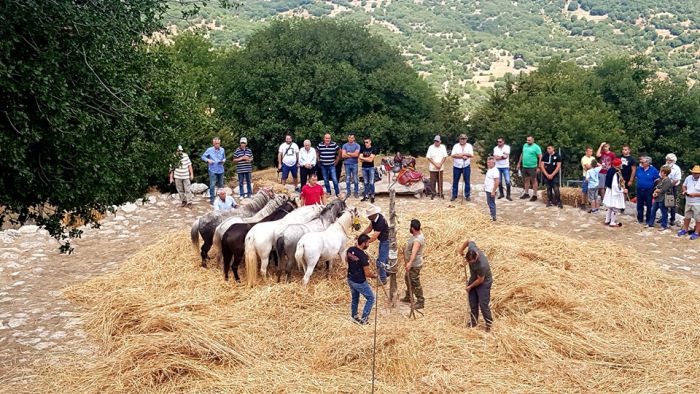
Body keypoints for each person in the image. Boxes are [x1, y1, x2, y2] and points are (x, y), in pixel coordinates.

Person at [458, 239, 493, 332]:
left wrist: (470, 287)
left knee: (483, 304)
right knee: (472, 301)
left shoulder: (482, 264)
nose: (470, 264)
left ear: (476, 257)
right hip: (474, 279)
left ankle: (488, 323)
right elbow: (469, 241)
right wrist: (461, 250)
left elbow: (480, 280)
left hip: (483, 283)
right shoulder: (472, 248)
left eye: (471, 262)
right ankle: (473, 322)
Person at [346, 234, 376, 325]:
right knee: (370, 298)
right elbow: (367, 273)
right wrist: (375, 275)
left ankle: (354, 316)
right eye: (368, 242)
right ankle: (364, 319)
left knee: (355, 297)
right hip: (359, 281)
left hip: (350, 278)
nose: (368, 244)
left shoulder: (350, 250)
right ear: (363, 243)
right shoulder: (363, 256)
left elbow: (347, 260)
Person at [401, 219, 425, 310]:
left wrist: (409, 263)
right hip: (412, 264)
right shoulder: (417, 235)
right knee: (407, 279)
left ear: (412, 228)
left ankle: (420, 301)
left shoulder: (417, 240)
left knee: (415, 282)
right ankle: (409, 296)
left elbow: (414, 253)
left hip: (414, 265)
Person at [362, 205, 389, 285]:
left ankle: (383, 279)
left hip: (386, 240)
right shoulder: (374, 219)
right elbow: (369, 228)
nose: (368, 217)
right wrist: (362, 235)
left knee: (381, 260)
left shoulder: (380, 221)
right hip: (383, 240)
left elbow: (374, 237)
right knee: (384, 257)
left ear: (373, 214)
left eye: (369, 216)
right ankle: (387, 272)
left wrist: (365, 242)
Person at [602, 158, 627, 227]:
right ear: (618, 165)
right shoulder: (616, 173)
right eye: (620, 163)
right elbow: (615, 185)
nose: (621, 165)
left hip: (609, 190)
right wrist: (622, 190)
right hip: (614, 192)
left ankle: (607, 220)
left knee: (610, 206)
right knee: (614, 207)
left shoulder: (610, 170)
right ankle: (612, 222)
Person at [677, 165, 700, 240]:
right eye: (694, 172)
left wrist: (695, 195)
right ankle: (685, 229)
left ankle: (696, 232)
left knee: (698, 219)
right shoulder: (688, 178)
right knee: (687, 217)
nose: (695, 174)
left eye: (697, 173)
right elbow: (684, 185)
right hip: (688, 200)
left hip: (697, 202)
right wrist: (685, 191)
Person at [635, 157, 660, 225]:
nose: (642, 163)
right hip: (639, 189)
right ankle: (640, 218)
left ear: (648, 163)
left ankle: (648, 219)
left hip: (649, 190)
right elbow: (637, 177)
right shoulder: (639, 169)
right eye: (641, 162)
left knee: (649, 205)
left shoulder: (654, 170)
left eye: (643, 162)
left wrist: (655, 189)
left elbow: (657, 180)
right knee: (639, 205)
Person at [516, 135, 542, 202]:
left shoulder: (536, 147)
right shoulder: (525, 145)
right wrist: (519, 163)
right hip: (525, 166)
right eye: (527, 140)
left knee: (534, 180)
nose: (527, 141)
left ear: (533, 140)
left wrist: (539, 166)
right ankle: (526, 193)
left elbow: (540, 156)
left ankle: (535, 195)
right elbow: (522, 154)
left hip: (532, 166)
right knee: (526, 179)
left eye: (529, 140)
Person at [201, 137, 226, 205]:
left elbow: (224, 157)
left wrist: (224, 160)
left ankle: (221, 200)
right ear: (213, 143)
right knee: (212, 185)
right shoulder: (209, 150)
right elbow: (203, 157)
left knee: (221, 185)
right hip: (212, 169)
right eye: (216, 143)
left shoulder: (222, 149)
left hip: (220, 169)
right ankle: (212, 200)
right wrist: (208, 160)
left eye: (218, 143)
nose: (217, 145)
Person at [647, 166, 673, 230]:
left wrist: (656, 191)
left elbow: (663, 190)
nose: (660, 173)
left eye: (661, 172)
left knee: (664, 212)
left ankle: (664, 225)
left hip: (664, 198)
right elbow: (657, 187)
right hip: (658, 198)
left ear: (665, 173)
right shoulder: (661, 179)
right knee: (653, 210)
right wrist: (655, 192)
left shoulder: (667, 180)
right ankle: (650, 223)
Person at [451, 133, 473, 202]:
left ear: (466, 139)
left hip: (466, 166)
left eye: (464, 139)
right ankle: (454, 195)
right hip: (457, 166)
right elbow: (453, 155)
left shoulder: (469, 146)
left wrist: (462, 154)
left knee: (467, 181)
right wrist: (462, 156)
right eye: (461, 138)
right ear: (459, 139)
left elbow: (471, 155)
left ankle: (467, 195)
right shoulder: (456, 146)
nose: (462, 140)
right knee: (455, 181)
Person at [540, 144, 563, 208]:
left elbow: (558, 166)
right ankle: (549, 201)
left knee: (556, 188)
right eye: (547, 148)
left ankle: (559, 201)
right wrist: (546, 174)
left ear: (553, 148)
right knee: (548, 188)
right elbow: (542, 165)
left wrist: (552, 174)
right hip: (546, 174)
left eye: (549, 148)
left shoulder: (557, 156)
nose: (548, 150)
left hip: (554, 175)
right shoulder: (545, 155)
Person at [665, 153, 682, 226]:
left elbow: (677, 179)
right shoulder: (664, 166)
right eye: (667, 159)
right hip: (664, 186)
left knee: (672, 203)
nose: (668, 161)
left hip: (673, 187)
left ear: (673, 161)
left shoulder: (677, 168)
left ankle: (672, 219)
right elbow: (661, 176)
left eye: (670, 160)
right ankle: (664, 217)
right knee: (663, 202)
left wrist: (669, 185)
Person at [342, 133, 361, 198]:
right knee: (347, 178)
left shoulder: (357, 145)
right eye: (349, 137)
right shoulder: (344, 145)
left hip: (354, 163)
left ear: (354, 138)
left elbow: (356, 155)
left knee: (355, 178)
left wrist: (348, 153)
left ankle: (356, 192)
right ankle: (348, 192)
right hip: (347, 164)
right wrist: (352, 154)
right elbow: (343, 155)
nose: (350, 139)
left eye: (352, 137)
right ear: (348, 138)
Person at [359, 137, 378, 203]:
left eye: (367, 142)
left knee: (371, 182)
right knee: (365, 182)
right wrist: (367, 158)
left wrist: (363, 158)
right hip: (364, 167)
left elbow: (371, 160)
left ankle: (372, 196)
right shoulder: (362, 148)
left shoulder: (373, 149)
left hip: (371, 168)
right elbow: (360, 159)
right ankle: (366, 196)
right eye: (365, 142)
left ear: (370, 142)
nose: (365, 143)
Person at [483, 157, 499, 221]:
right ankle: (492, 214)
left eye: (490, 162)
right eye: (487, 162)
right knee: (489, 202)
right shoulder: (489, 169)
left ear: (494, 163)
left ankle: (493, 216)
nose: (488, 164)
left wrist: (493, 191)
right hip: (488, 189)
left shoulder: (495, 171)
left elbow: (497, 182)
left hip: (491, 190)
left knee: (491, 203)